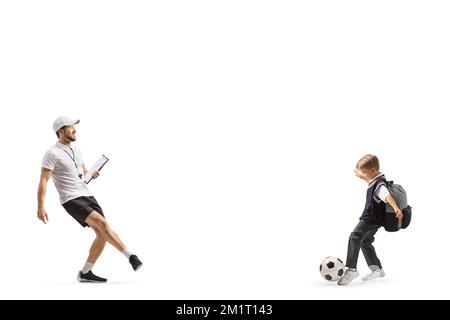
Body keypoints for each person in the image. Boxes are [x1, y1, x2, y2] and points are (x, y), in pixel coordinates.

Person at [37, 116, 143, 283]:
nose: (74, 130)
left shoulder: (77, 150)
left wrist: (90, 174)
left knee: (102, 235)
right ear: (60, 131)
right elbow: (43, 180)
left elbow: (82, 172)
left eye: (74, 127)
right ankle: (131, 256)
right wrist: (40, 207)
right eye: (70, 127)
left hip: (86, 194)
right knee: (103, 225)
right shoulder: (51, 153)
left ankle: (86, 272)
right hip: (71, 199)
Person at [337, 154, 402, 285]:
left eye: (364, 172)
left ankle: (352, 269)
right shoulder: (376, 180)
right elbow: (370, 181)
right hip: (374, 220)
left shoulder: (380, 185)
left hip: (370, 219)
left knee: (355, 236)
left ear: (373, 170)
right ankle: (377, 269)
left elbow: (387, 196)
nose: (363, 175)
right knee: (365, 241)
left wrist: (396, 208)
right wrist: (361, 176)